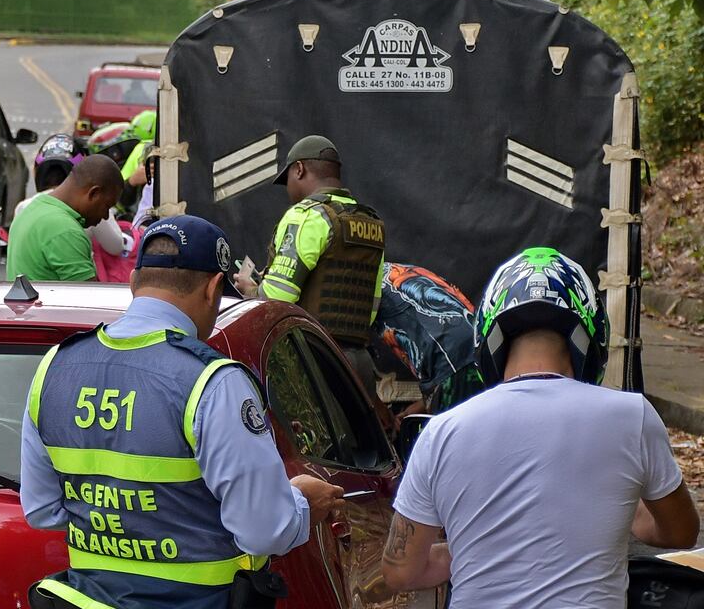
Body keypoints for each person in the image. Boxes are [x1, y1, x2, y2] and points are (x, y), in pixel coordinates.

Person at [21, 215, 345, 609]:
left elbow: (41, 510)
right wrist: (303, 504)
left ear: (133, 283)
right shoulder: (212, 382)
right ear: (213, 289)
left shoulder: (55, 366)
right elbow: (264, 532)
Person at [382, 248, 700, 608]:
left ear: (490, 339)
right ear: (588, 338)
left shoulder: (441, 432)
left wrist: (482, 551)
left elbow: (399, 572)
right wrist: (615, 516)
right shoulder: (632, 417)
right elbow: (681, 531)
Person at [234, 134, 385, 393]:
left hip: (312, 360)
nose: (289, 190)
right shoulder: (370, 222)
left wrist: (250, 289)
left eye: (288, 180)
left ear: (299, 169)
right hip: (359, 366)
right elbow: (372, 307)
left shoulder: (305, 217)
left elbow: (277, 298)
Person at [369, 262, 486, 415]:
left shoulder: (363, 283)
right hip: (479, 348)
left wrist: (377, 410)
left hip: (452, 360)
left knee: (453, 433)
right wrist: (423, 404)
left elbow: (353, 357)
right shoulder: (391, 269)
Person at [5, 155, 123, 282]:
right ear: (93, 193)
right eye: (106, 206)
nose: (105, 216)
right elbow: (89, 297)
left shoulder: (31, 209)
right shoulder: (66, 230)